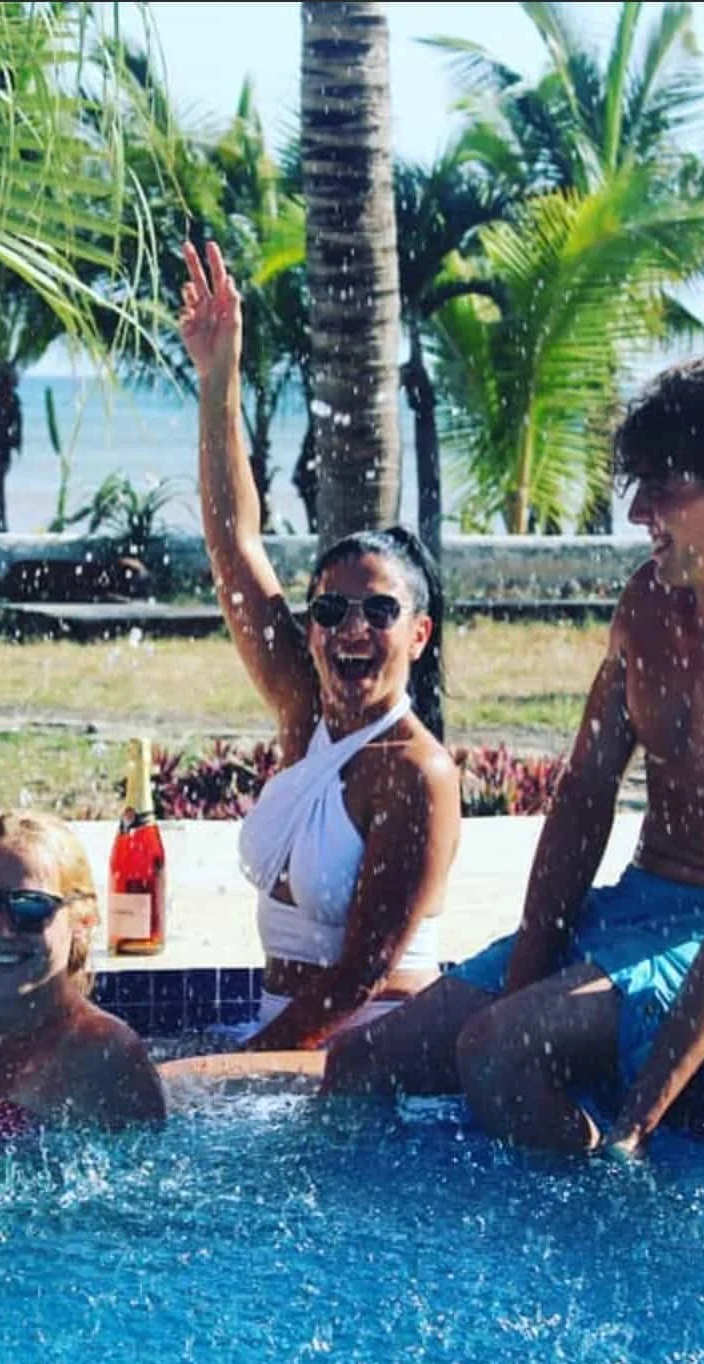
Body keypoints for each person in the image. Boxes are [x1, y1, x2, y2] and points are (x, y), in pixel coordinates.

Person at [323, 354, 704, 1159]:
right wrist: (523, 971)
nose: (638, 511)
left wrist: (634, 1129)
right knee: (358, 1066)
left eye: (663, 488)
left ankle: (604, 1228)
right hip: (631, 910)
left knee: (498, 1054)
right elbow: (584, 798)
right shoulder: (650, 605)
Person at [176, 239, 461, 1052]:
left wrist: (226, 1074)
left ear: (419, 631)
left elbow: (357, 980)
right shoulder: (305, 715)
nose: (352, 629)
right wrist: (217, 378)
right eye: (331, 610)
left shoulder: (419, 775)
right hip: (286, 1037)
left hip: (373, 1054)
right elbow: (236, 543)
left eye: (379, 609)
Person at [0, 812, 166, 1137]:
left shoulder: (105, 1052)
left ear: (83, 918)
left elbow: (148, 1177)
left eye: (30, 908)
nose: (2, 930)